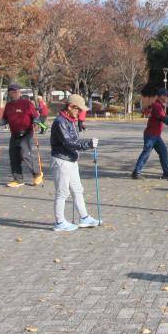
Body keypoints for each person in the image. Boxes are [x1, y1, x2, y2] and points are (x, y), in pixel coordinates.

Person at [49, 94, 101, 232]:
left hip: (71, 160)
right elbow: (69, 143)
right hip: (61, 161)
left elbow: (73, 141)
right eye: (78, 109)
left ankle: (84, 217)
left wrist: (86, 145)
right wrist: (88, 144)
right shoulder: (60, 122)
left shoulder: (70, 120)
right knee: (62, 193)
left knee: (78, 190)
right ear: (71, 106)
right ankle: (59, 222)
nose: (80, 112)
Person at [0, 84, 42, 188]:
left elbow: (35, 116)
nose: (15, 93)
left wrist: (36, 123)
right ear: (9, 93)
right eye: (13, 92)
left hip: (26, 133)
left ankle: (37, 174)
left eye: (17, 91)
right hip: (14, 134)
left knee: (24, 154)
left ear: (20, 93)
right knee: (13, 157)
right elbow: (5, 119)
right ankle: (18, 180)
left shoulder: (27, 103)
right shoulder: (9, 105)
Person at [132, 88, 168, 179]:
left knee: (163, 151)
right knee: (146, 153)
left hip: (156, 136)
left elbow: (164, 118)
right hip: (151, 135)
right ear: (161, 96)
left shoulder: (159, 105)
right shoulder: (157, 106)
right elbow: (164, 119)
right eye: (166, 96)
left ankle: (166, 173)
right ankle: (136, 172)